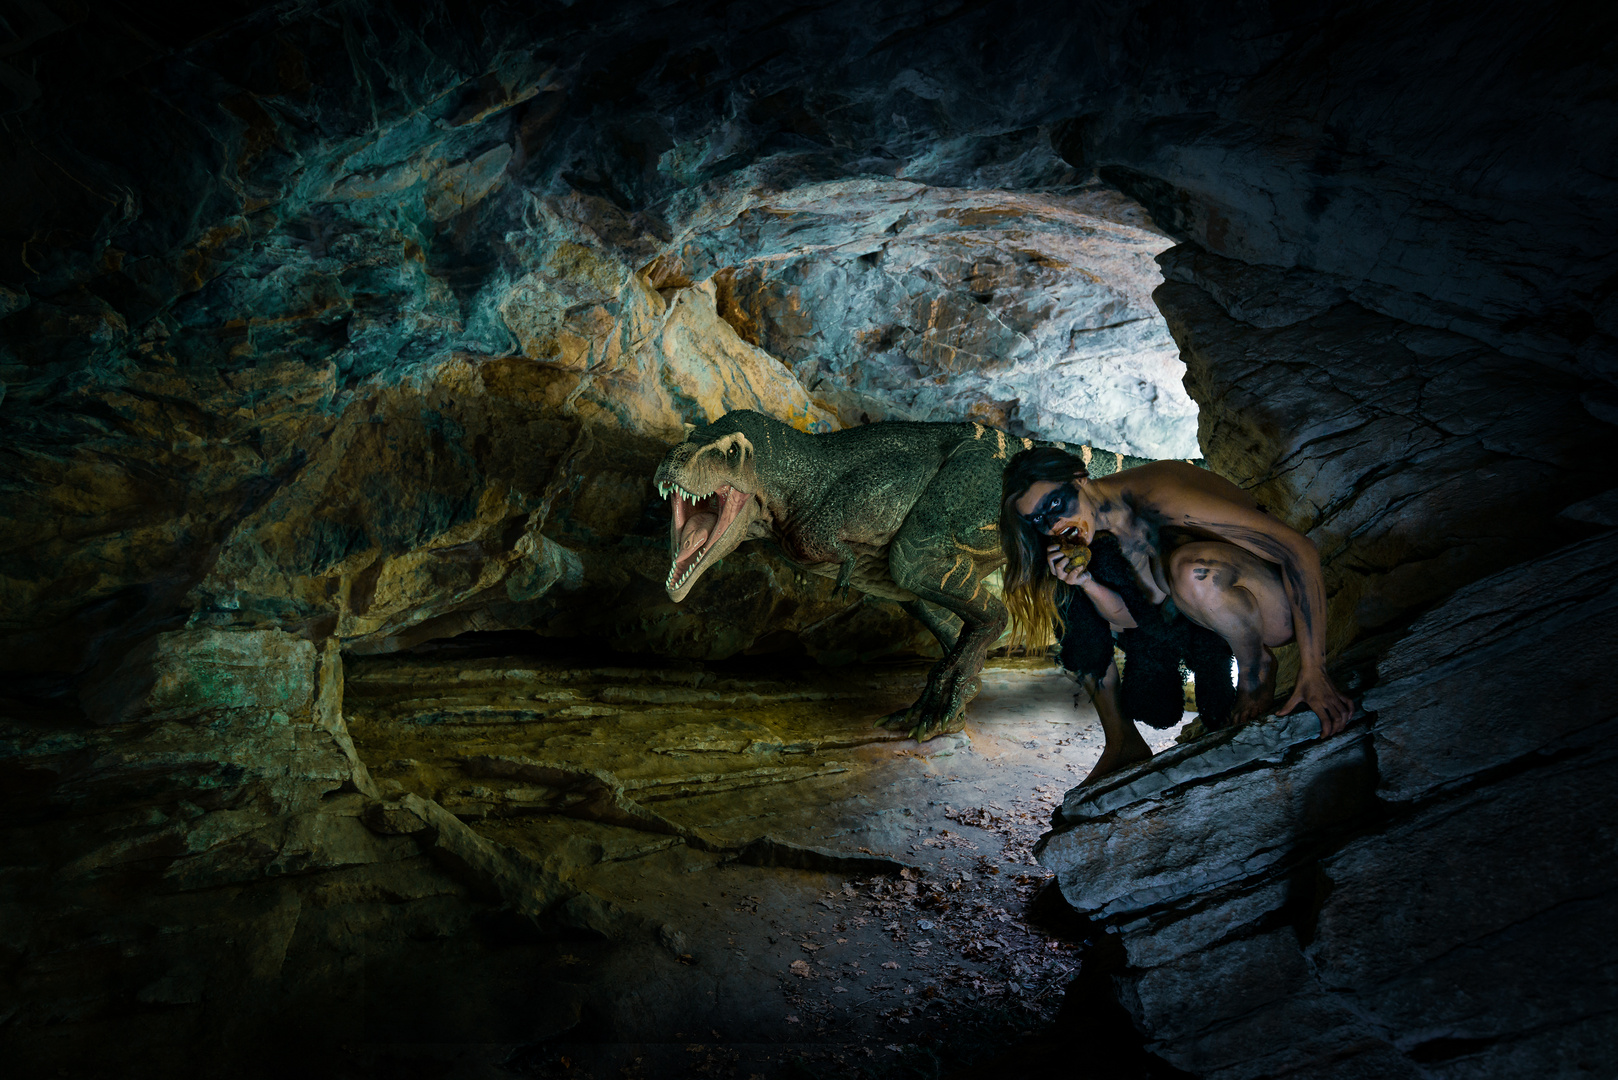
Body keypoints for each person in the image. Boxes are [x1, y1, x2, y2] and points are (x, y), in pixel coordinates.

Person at [999, 447, 1354, 783]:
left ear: (1080, 478)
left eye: (1056, 504)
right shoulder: (1100, 533)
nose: (1054, 523)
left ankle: (1255, 672)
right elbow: (1133, 621)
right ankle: (1122, 739)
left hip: (1270, 609)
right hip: (1204, 623)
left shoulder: (1157, 497)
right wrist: (1086, 582)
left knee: (1192, 571)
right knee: (1067, 592)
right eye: (1040, 520)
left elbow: (1298, 549)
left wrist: (1314, 670)